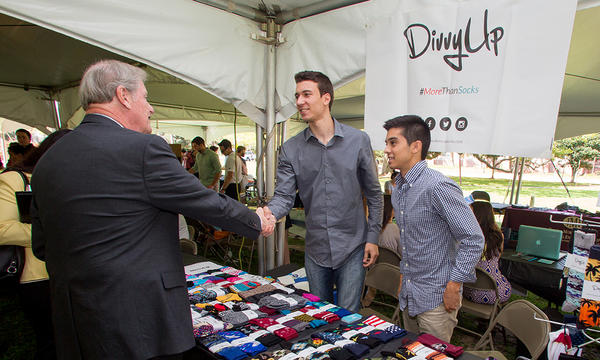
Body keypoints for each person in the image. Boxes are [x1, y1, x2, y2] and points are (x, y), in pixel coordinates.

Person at [30, 59, 275, 360]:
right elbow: (203, 201)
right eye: (145, 97)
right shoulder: (143, 149)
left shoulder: (47, 160)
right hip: (138, 320)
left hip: (76, 320)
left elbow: (42, 246)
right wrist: (255, 220)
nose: (150, 108)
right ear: (123, 95)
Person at [263, 71, 383, 313]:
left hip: (353, 247)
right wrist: (269, 214)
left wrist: (372, 238)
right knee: (320, 314)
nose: (299, 102)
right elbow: (285, 197)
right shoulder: (290, 149)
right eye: (297, 96)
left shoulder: (358, 140)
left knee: (348, 317)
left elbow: (374, 194)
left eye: (307, 94)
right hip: (316, 249)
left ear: (326, 98)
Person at [383, 115, 483, 342]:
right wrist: (404, 275)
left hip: (436, 299)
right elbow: (410, 240)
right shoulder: (398, 188)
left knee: (434, 355)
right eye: (387, 143)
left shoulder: (438, 186)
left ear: (415, 146)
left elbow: (473, 239)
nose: (387, 149)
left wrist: (454, 284)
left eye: (393, 142)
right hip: (409, 294)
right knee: (410, 351)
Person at [0, 130, 70, 360]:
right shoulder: (14, 179)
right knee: (51, 342)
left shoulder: (71, 178)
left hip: (75, 273)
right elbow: (2, 229)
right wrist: (58, 232)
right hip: (38, 277)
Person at [463, 199, 512, 304]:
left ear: (479, 217)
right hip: (496, 293)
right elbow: (498, 257)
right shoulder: (499, 236)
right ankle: (494, 317)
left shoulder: (466, 236)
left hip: (469, 291)